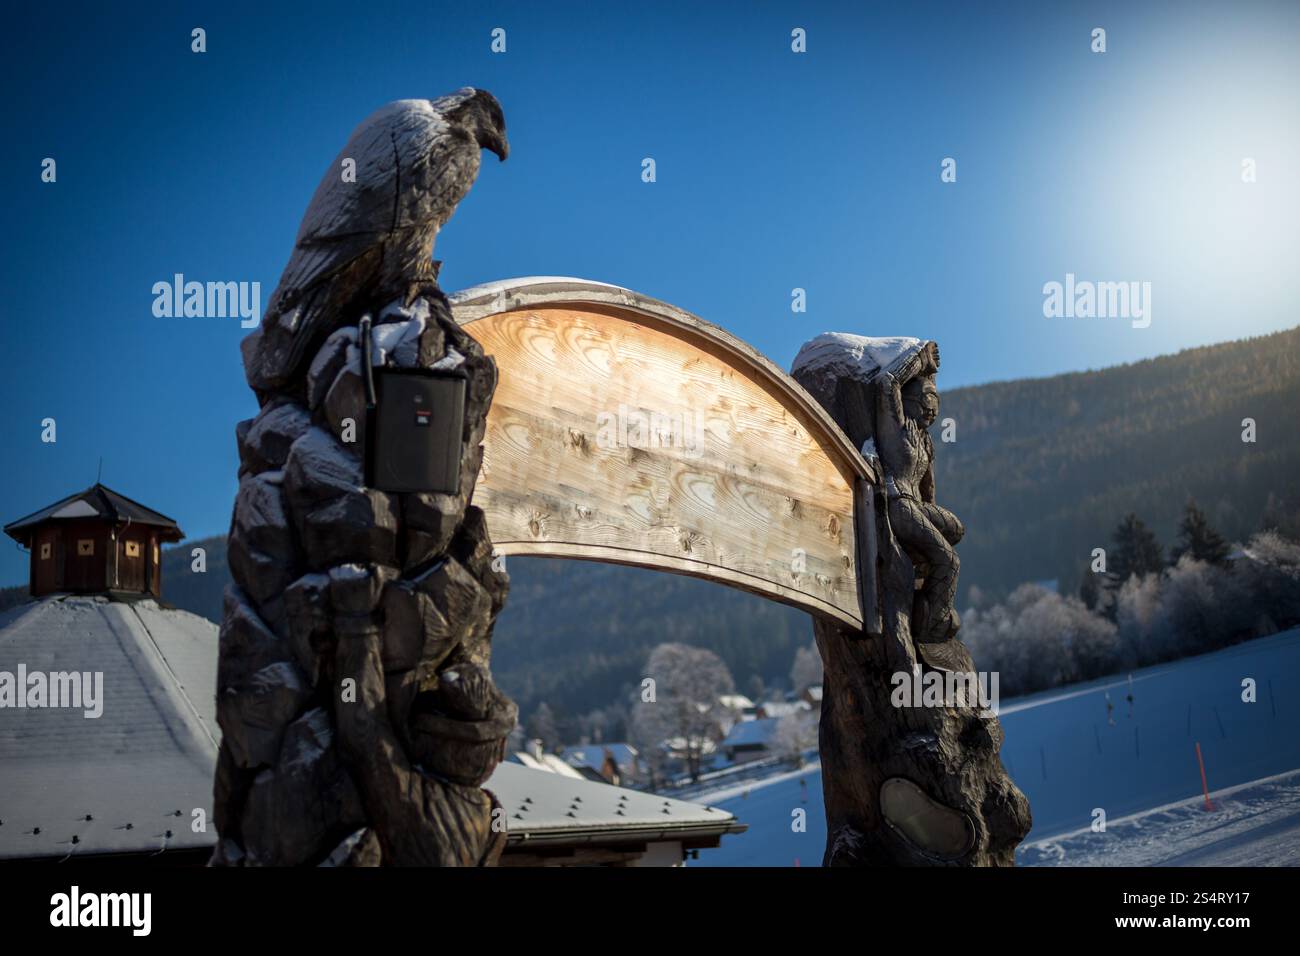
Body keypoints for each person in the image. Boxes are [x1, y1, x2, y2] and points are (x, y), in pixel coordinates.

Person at [875, 352, 965, 643]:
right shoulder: (897, 426)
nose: (931, 412)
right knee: (949, 561)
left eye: (935, 406)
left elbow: (929, 494)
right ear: (909, 402)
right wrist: (920, 360)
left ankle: (927, 594)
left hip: (916, 506)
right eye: (925, 403)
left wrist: (932, 534)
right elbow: (886, 382)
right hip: (898, 501)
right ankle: (932, 625)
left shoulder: (925, 442)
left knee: (955, 529)